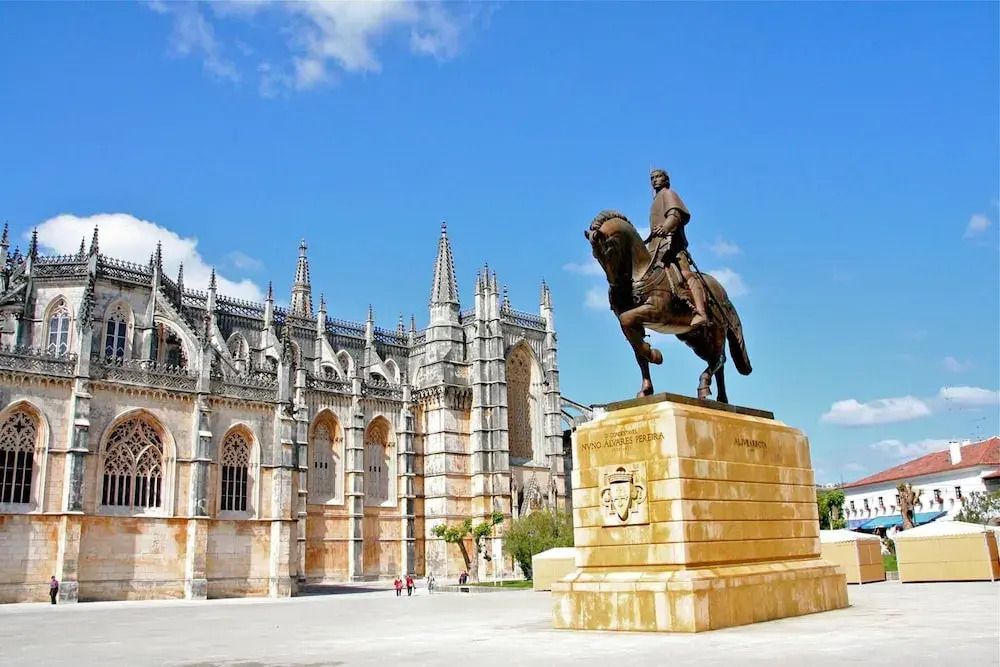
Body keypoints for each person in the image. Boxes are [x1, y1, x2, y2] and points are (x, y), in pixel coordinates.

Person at [645, 168, 708, 328]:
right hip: (656, 247)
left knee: (686, 273)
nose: (655, 180)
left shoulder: (668, 194)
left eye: (658, 177)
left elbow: (675, 215)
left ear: (666, 180)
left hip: (673, 245)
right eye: (652, 178)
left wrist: (665, 227)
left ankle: (701, 312)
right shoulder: (654, 201)